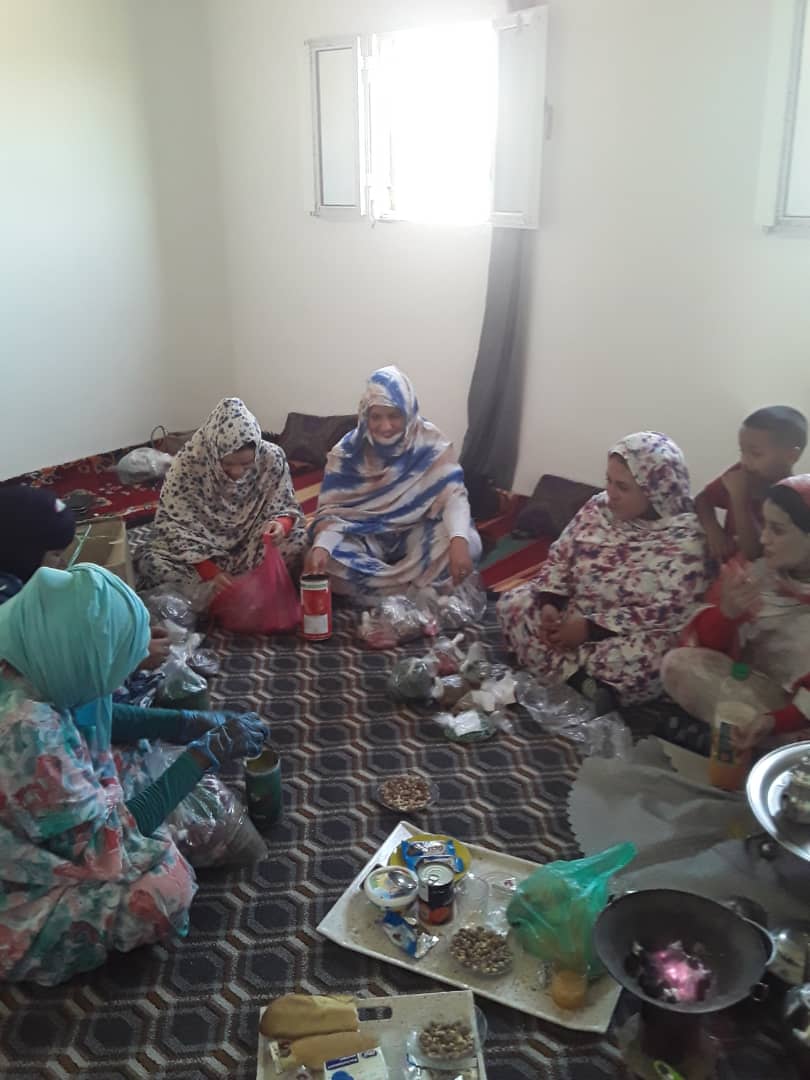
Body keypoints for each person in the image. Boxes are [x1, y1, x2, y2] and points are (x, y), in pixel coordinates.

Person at [0, 563, 267, 985]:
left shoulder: (27, 646)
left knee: (135, 762)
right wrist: (202, 757)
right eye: (115, 668)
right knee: (165, 889)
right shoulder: (27, 730)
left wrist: (186, 723)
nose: (120, 681)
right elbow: (106, 842)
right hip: (14, 881)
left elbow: (92, 709)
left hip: (32, 800)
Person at [497, 432, 711, 708]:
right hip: (573, 610)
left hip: (622, 634)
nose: (611, 493)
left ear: (656, 490)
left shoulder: (686, 540)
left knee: (654, 660)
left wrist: (590, 629)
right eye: (608, 480)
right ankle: (582, 683)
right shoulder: (598, 508)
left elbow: (668, 612)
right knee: (513, 605)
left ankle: (560, 671)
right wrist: (551, 601)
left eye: (623, 487)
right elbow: (561, 555)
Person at [304, 366, 481, 597]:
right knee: (322, 559)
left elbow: (453, 497)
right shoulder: (347, 453)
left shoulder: (431, 444)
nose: (385, 427)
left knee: (469, 543)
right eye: (376, 417)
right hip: (366, 535)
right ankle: (414, 591)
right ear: (364, 416)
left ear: (408, 412)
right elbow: (334, 515)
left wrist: (458, 541)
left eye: (394, 416)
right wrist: (322, 547)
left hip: (417, 530)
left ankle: (381, 594)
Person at [662, 475, 810, 751]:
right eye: (765, 524)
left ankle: (759, 743)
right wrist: (727, 614)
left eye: (777, 530)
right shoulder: (756, 572)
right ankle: (749, 740)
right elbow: (706, 650)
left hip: (798, 715)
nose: (763, 538)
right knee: (678, 665)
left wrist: (775, 722)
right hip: (751, 691)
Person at [136, 398, 306, 596]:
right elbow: (173, 526)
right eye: (227, 464)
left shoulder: (271, 458)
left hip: (252, 547)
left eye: (246, 464)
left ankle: (239, 592)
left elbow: (285, 505)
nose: (237, 472)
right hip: (200, 553)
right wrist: (210, 572)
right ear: (212, 452)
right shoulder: (188, 463)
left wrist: (281, 525)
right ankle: (219, 594)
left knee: (299, 542)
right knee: (151, 561)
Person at [0, 484, 170, 670]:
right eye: (56, 554)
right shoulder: (7, 608)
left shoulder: (13, 574)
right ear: (23, 555)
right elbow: (51, 673)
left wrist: (125, 638)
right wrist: (131, 658)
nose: (63, 563)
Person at [695, 406, 807, 563]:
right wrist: (714, 530)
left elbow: (754, 553)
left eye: (756, 454)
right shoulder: (744, 472)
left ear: (792, 456)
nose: (745, 461)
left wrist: (739, 500)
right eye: (742, 451)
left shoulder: (791, 497)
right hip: (727, 567)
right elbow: (703, 499)